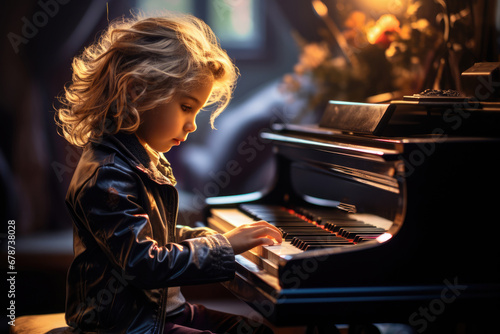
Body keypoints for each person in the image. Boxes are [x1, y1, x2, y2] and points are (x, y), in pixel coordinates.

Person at [55, 12, 282, 334]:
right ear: (136, 91)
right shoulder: (106, 175)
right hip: (125, 325)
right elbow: (144, 263)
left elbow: (159, 235)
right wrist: (224, 246)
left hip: (160, 312)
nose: (192, 125)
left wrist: (220, 239)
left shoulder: (142, 158)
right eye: (186, 107)